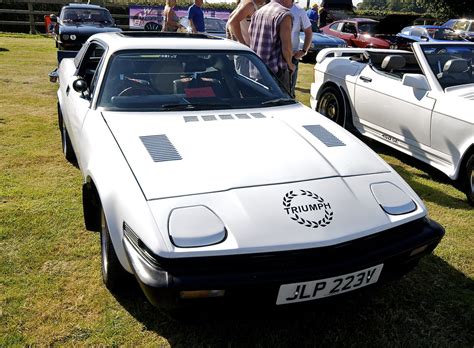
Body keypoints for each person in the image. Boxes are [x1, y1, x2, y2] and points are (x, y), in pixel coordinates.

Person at [249, 0, 294, 92]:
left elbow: (251, 35)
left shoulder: (258, 12)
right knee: (281, 104)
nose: (292, 4)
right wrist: (290, 64)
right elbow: (287, 47)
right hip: (275, 73)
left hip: (256, 68)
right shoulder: (284, 14)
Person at [290, 1, 312, 97]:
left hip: (292, 56)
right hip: (273, 54)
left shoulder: (299, 10)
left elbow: (309, 32)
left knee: (289, 90)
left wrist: (303, 51)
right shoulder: (272, 7)